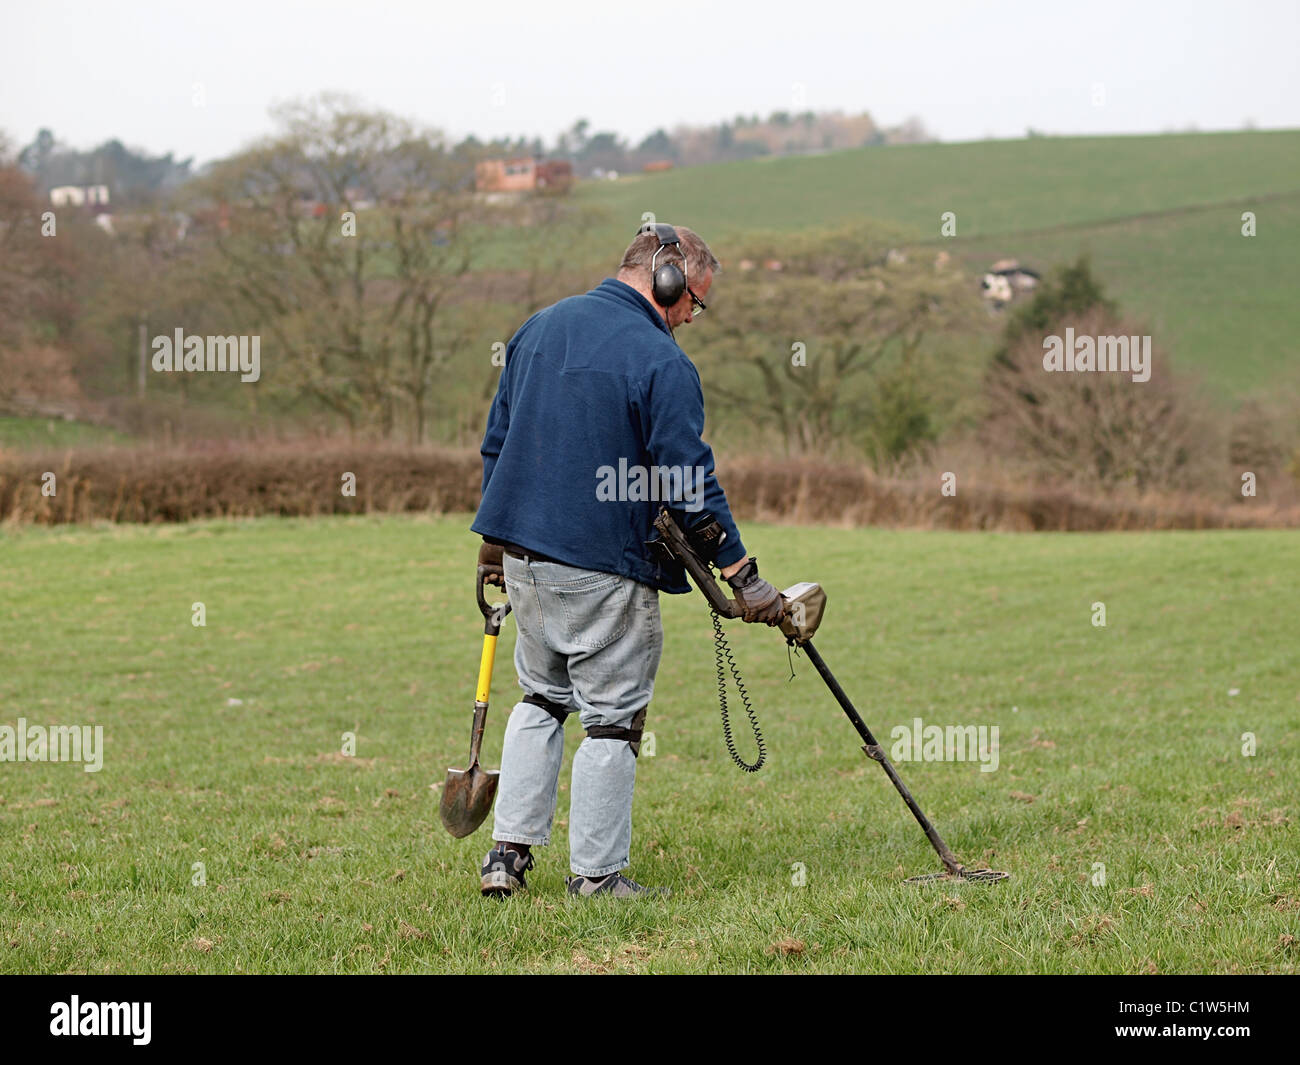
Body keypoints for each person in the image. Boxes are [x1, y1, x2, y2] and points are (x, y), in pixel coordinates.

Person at [470, 223, 784, 899]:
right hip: (604, 566)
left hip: (523, 558)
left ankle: (506, 857)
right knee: (613, 717)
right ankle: (596, 875)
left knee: (540, 697)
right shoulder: (661, 360)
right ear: (666, 279)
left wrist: (493, 544)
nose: (691, 317)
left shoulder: (537, 327)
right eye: (693, 302)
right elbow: (688, 482)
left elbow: (497, 443)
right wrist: (742, 573)